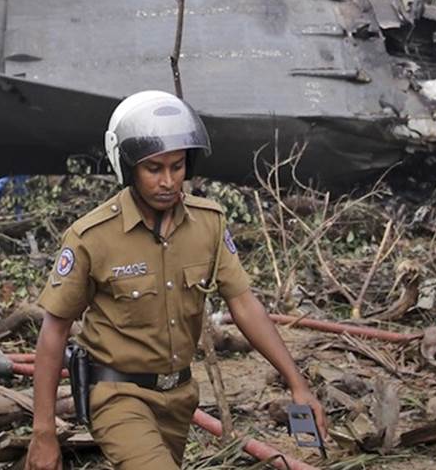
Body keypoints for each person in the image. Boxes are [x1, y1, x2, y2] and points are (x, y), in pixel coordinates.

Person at [24, 91, 327, 470]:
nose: (168, 181)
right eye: (154, 169)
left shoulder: (209, 224)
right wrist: (44, 431)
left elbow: (245, 305)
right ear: (129, 167)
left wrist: (297, 384)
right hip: (118, 396)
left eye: (178, 166)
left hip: (180, 398)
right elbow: (54, 331)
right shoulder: (91, 237)